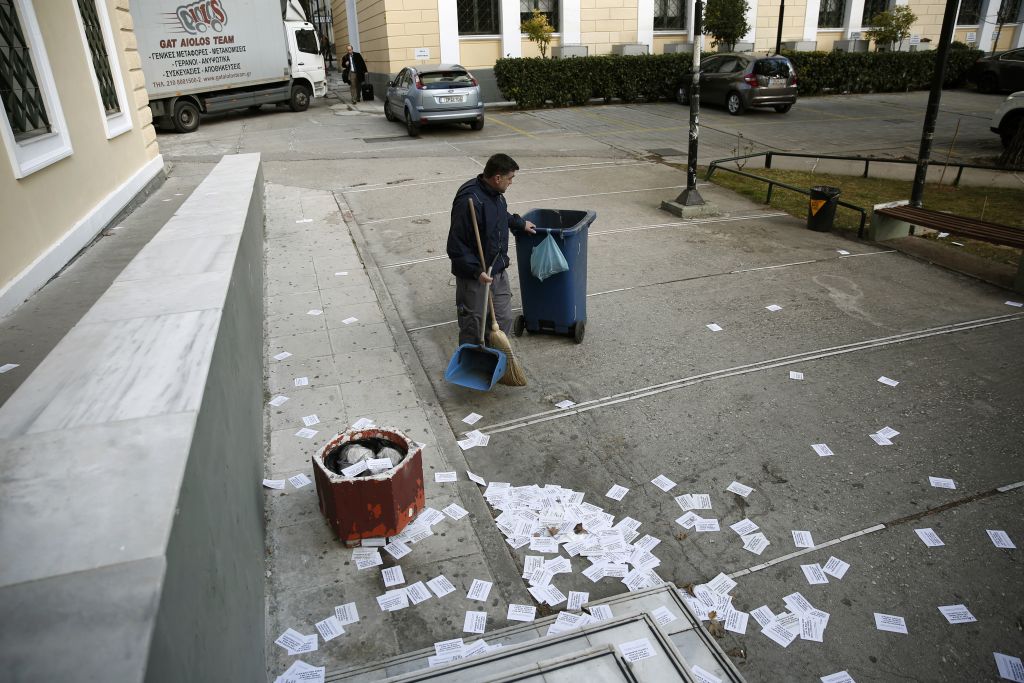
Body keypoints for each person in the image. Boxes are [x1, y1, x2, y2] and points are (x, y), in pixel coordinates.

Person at [447, 154, 537, 346]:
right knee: (474, 327)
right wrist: (476, 270)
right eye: (510, 178)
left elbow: (499, 216)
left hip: (497, 269)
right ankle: (474, 360)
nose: (511, 182)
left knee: (503, 320)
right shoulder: (469, 201)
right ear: (497, 178)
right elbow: (455, 245)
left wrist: (520, 224)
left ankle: (496, 357)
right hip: (476, 276)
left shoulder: (496, 195)